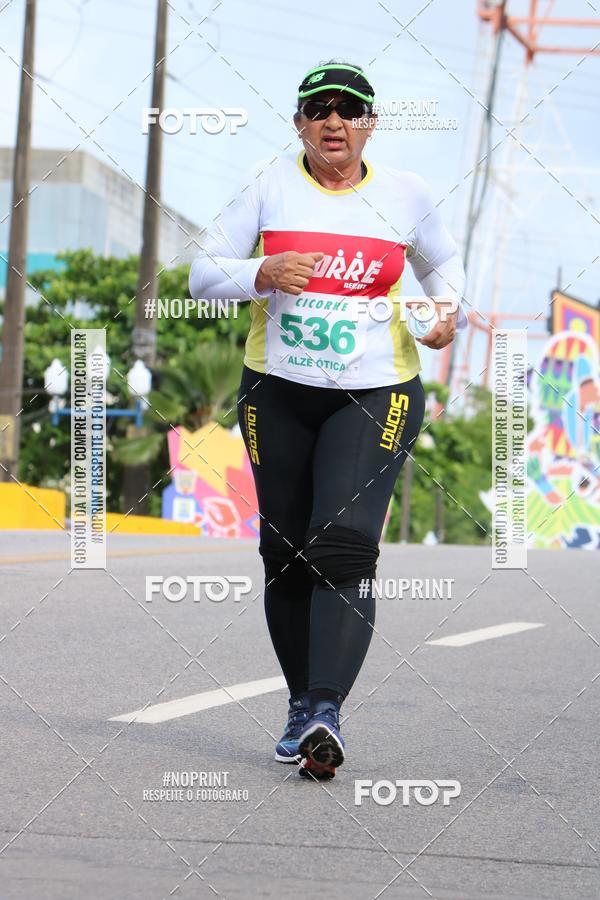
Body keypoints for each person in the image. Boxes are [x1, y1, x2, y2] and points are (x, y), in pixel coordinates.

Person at [189, 61, 467, 779]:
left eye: (349, 110)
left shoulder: (406, 194)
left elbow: (444, 265)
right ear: (299, 125)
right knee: (284, 553)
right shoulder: (267, 184)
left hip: (376, 393)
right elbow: (200, 275)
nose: (333, 121)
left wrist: (446, 313)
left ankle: (325, 709)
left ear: (370, 124)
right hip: (277, 391)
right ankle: (299, 705)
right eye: (319, 109)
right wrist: (260, 273)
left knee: (342, 546)